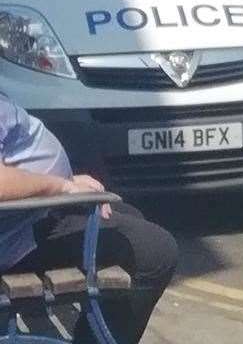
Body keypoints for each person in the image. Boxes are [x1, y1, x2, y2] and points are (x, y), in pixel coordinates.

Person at [0, 92, 177, 344]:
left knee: (129, 218)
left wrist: (66, 181)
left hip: (26, 219)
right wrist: (61, 187)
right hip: (21, 235)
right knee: (154, 252)